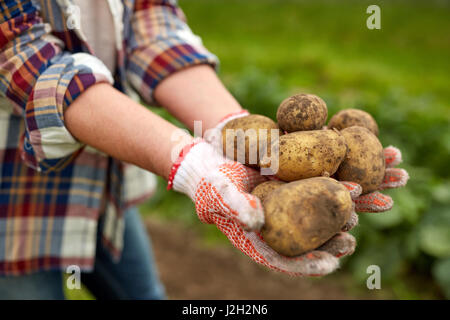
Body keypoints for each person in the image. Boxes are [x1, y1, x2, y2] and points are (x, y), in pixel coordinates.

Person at [0, 0, 408, 299]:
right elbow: (26, 58)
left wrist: (228, 129)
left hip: (106, 188)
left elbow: (150, 21)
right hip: (18, 204)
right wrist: (193, 164)